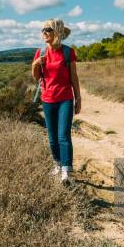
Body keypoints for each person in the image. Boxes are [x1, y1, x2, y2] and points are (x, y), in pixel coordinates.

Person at [31, 19, 81, 184]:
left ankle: (66, 171)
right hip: (47, 99)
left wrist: (78, 98)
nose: (44, 32)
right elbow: (36, 77)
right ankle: (57, 165)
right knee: (52, 137)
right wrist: (35, 64)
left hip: (65, 99)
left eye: (48, 29)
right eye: (43, 29)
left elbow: (74, 76)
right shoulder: (40, 52)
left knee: (63, 136)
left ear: (57, 32)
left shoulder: (68, 52)